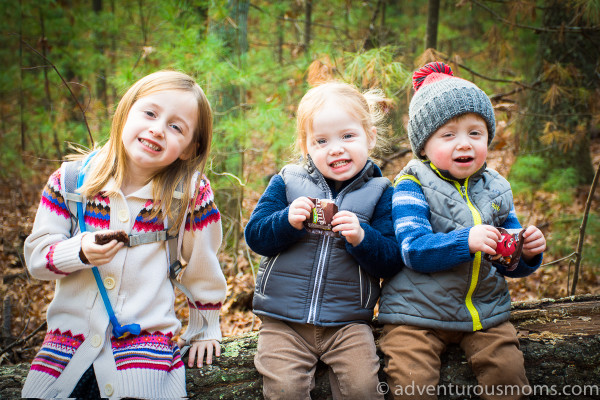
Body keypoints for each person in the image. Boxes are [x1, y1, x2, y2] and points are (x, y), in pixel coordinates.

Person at [22, 70, 227, 399]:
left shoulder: (189, 195)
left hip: (145, 358)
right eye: (149, 113)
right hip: (63, 355)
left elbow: (202, 268)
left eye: (176, 127)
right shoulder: (72, 181)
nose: (157, 129)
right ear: (125, 111)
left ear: (190, 148)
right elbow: (36, 260)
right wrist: (79, 251)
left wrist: (204, 329)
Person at [379, 62, 547, 400]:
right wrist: (466, 241)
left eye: (475, 133)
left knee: (509, 378)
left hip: (483, 313)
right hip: (416, 315)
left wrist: (526, 252)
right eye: (449, 134)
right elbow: (412, 249)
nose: (464, 144)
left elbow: (507, 258)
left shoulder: (496, 187)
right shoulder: (411, 184)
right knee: (412, 385)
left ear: (488, 138)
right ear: (424, 146)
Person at [244, 81, 403, 399]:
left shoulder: (382, 193)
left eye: (347, 136)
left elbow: (391, 259)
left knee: (363, 388)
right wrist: (287, 220)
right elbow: (256, 236)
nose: (336, 148)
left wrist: (362, 236)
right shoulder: (288, 182)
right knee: (285, 390)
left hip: (348, 324)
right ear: (306, 146)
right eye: (321, 140)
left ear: (369, 136)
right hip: (283, 321)